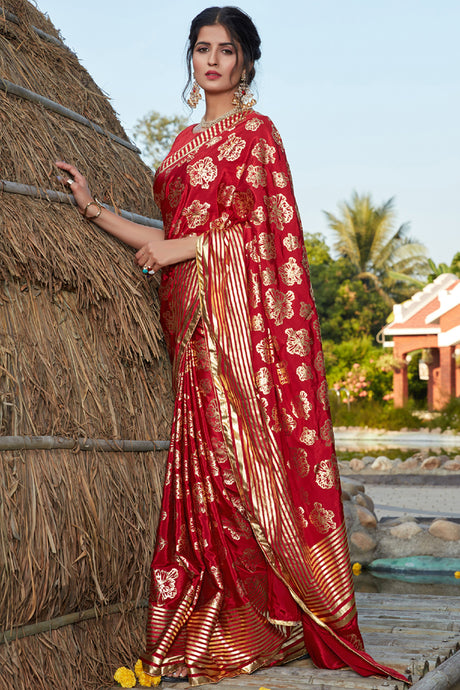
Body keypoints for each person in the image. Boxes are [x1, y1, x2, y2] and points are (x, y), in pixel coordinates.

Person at [57, 6, 408, 687]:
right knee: (204, 480)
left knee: (240, 471)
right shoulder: (183, 147)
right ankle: (218, 626)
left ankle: (262, 624)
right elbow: (162, 237)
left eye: (225, 49)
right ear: (190, 60)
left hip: (238, 334)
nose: (212, 60)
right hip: (191, 332)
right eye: (200, 49)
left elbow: (263, 240)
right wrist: (96, 211)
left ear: (246, 61)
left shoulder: (258, 136)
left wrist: (182, 247)